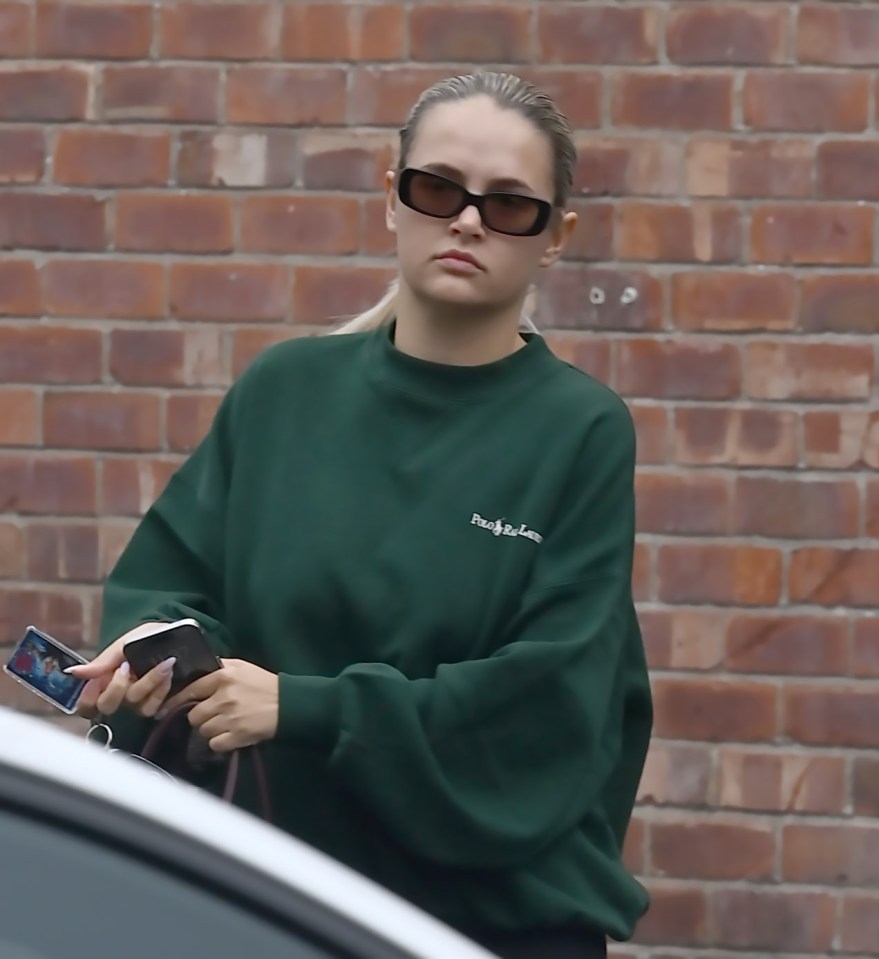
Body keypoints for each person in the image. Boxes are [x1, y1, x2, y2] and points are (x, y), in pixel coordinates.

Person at [68, 71, 652, 959]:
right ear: (392, 199)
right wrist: (168, 658)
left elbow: (551, 704)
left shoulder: (580, 430)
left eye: (509, 206)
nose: (466, 221)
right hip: (266, 894)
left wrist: (306, 708)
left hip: (482, 919)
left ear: (555, 237)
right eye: (437, 189)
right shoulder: (284, 392)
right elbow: (168, 577)